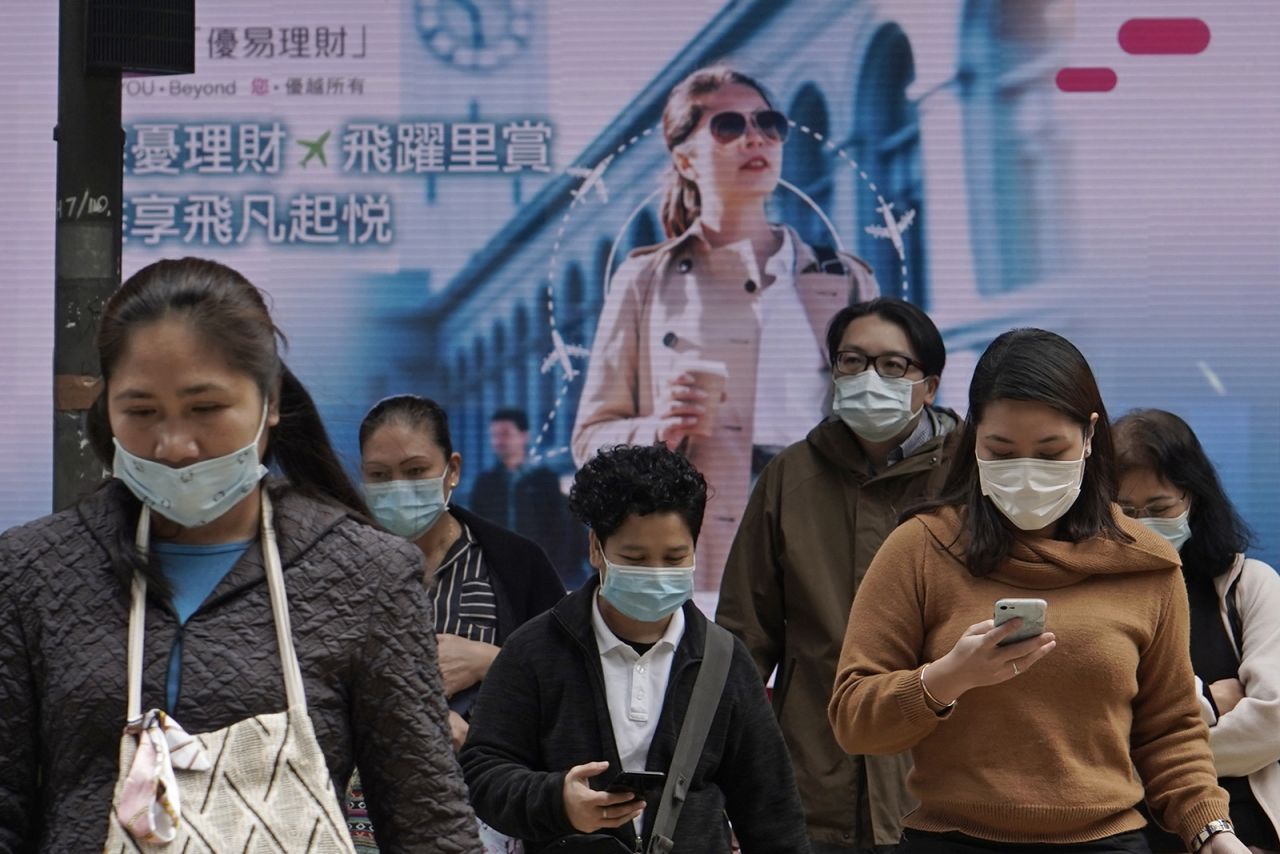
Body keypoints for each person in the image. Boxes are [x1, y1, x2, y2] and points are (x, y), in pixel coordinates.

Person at [0, 258, 478, 851]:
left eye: (205, 408)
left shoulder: (366, 575)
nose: (175, 445)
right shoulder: (34, 571)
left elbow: (429, 823)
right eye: (141, 412)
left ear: (269, 401)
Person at [829, 328, 1246, 854]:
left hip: (1106, 842)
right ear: (974, 437)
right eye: (1001, 451)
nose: (1026, 473)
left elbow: (1171, 732)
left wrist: (1211, 831)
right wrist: (943, 680)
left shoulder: (1146, 563)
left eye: (1051, 453)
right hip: (953, 840)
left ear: (1090, 437)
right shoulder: (921, 549)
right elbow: (853, 720)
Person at [571, 65, 879, 593]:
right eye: (729, 126)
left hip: (829, 541)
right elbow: (589, 439)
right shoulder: (645, 280)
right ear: (685, 158)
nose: (756, 137)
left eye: (768, 122)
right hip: (701, 547)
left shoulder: (844, 279)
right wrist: (659, 428)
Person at [460, 444, 809, 853]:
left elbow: (772, 810)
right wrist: (558, 800)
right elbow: (483, 774)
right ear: (596, 549)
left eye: (675, 557)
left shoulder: (725, 661)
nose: (657, 574)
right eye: (635, 558)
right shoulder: (535, 650)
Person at [717, 298, 960, 852]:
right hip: (815, 777)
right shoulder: (790, 475)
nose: (870, 377)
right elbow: (743, 637)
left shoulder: (969, 472)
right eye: (852, 362)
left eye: (893, 366)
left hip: (945, 778)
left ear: (930, 385)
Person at [347, 395, 567, 852]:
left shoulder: (515, 563)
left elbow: (571, 687)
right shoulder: (338, 567)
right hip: (362, 814)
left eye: (415, 470)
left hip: (485, 812)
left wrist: (495, 661)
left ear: (452, 470)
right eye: (379, 476)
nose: (398, 488)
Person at [1114, 409, 1280, 854]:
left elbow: (1274, 722)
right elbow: (1084, 729)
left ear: (1194, 499)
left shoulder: (1250, 584)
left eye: (1160, 508)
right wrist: (1210, 699)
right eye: (1126, 511)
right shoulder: (1087, 596)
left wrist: (1147, 755)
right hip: (1121, 838)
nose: (1143, 523)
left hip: (1248, 834)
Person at [470, 408, 589, 589]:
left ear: (524, 436)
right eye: (494, 435)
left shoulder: (544, 480)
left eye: (505, 434)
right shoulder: (485, 485)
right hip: (498, 577)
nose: (499, 441)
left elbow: (562, 530)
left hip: (541, 573)